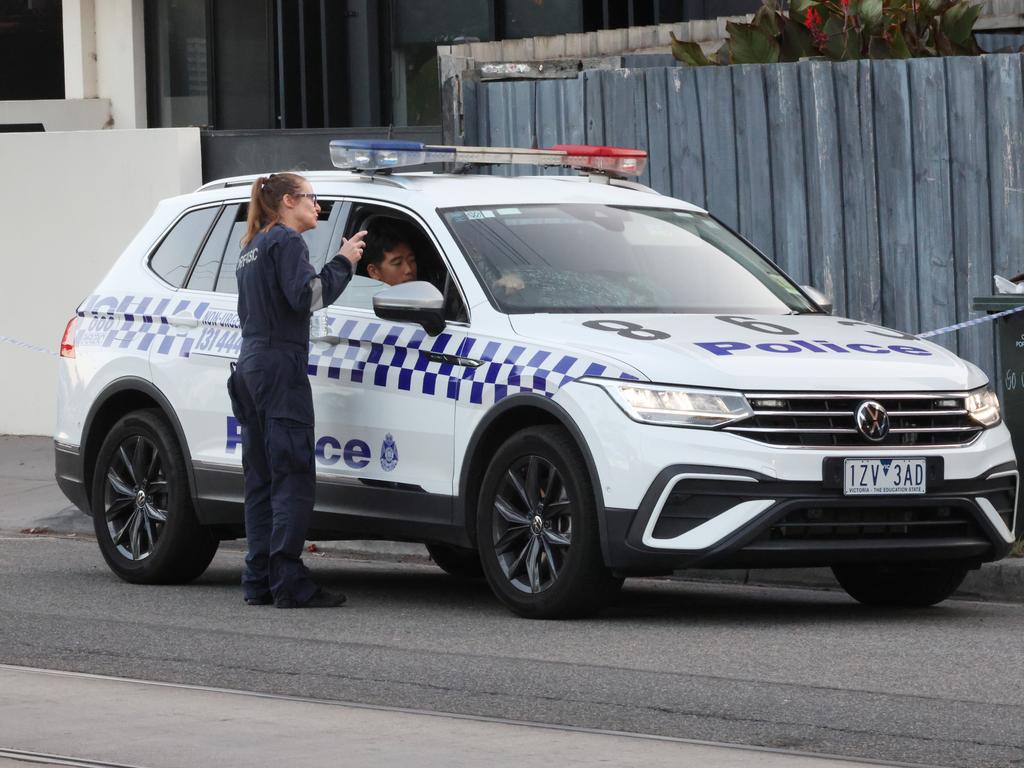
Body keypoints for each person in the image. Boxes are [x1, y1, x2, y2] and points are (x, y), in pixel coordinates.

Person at [226, 172, 366, 609]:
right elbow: (308, 296)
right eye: (311, 198)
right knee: (292, 475)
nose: (318, 206)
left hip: (251, 367)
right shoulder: (285, 241)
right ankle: (288, 580)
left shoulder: (251, 247)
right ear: (288, 201)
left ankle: (259, 578)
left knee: (262, 480)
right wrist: (345, 261)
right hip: (279, 368)